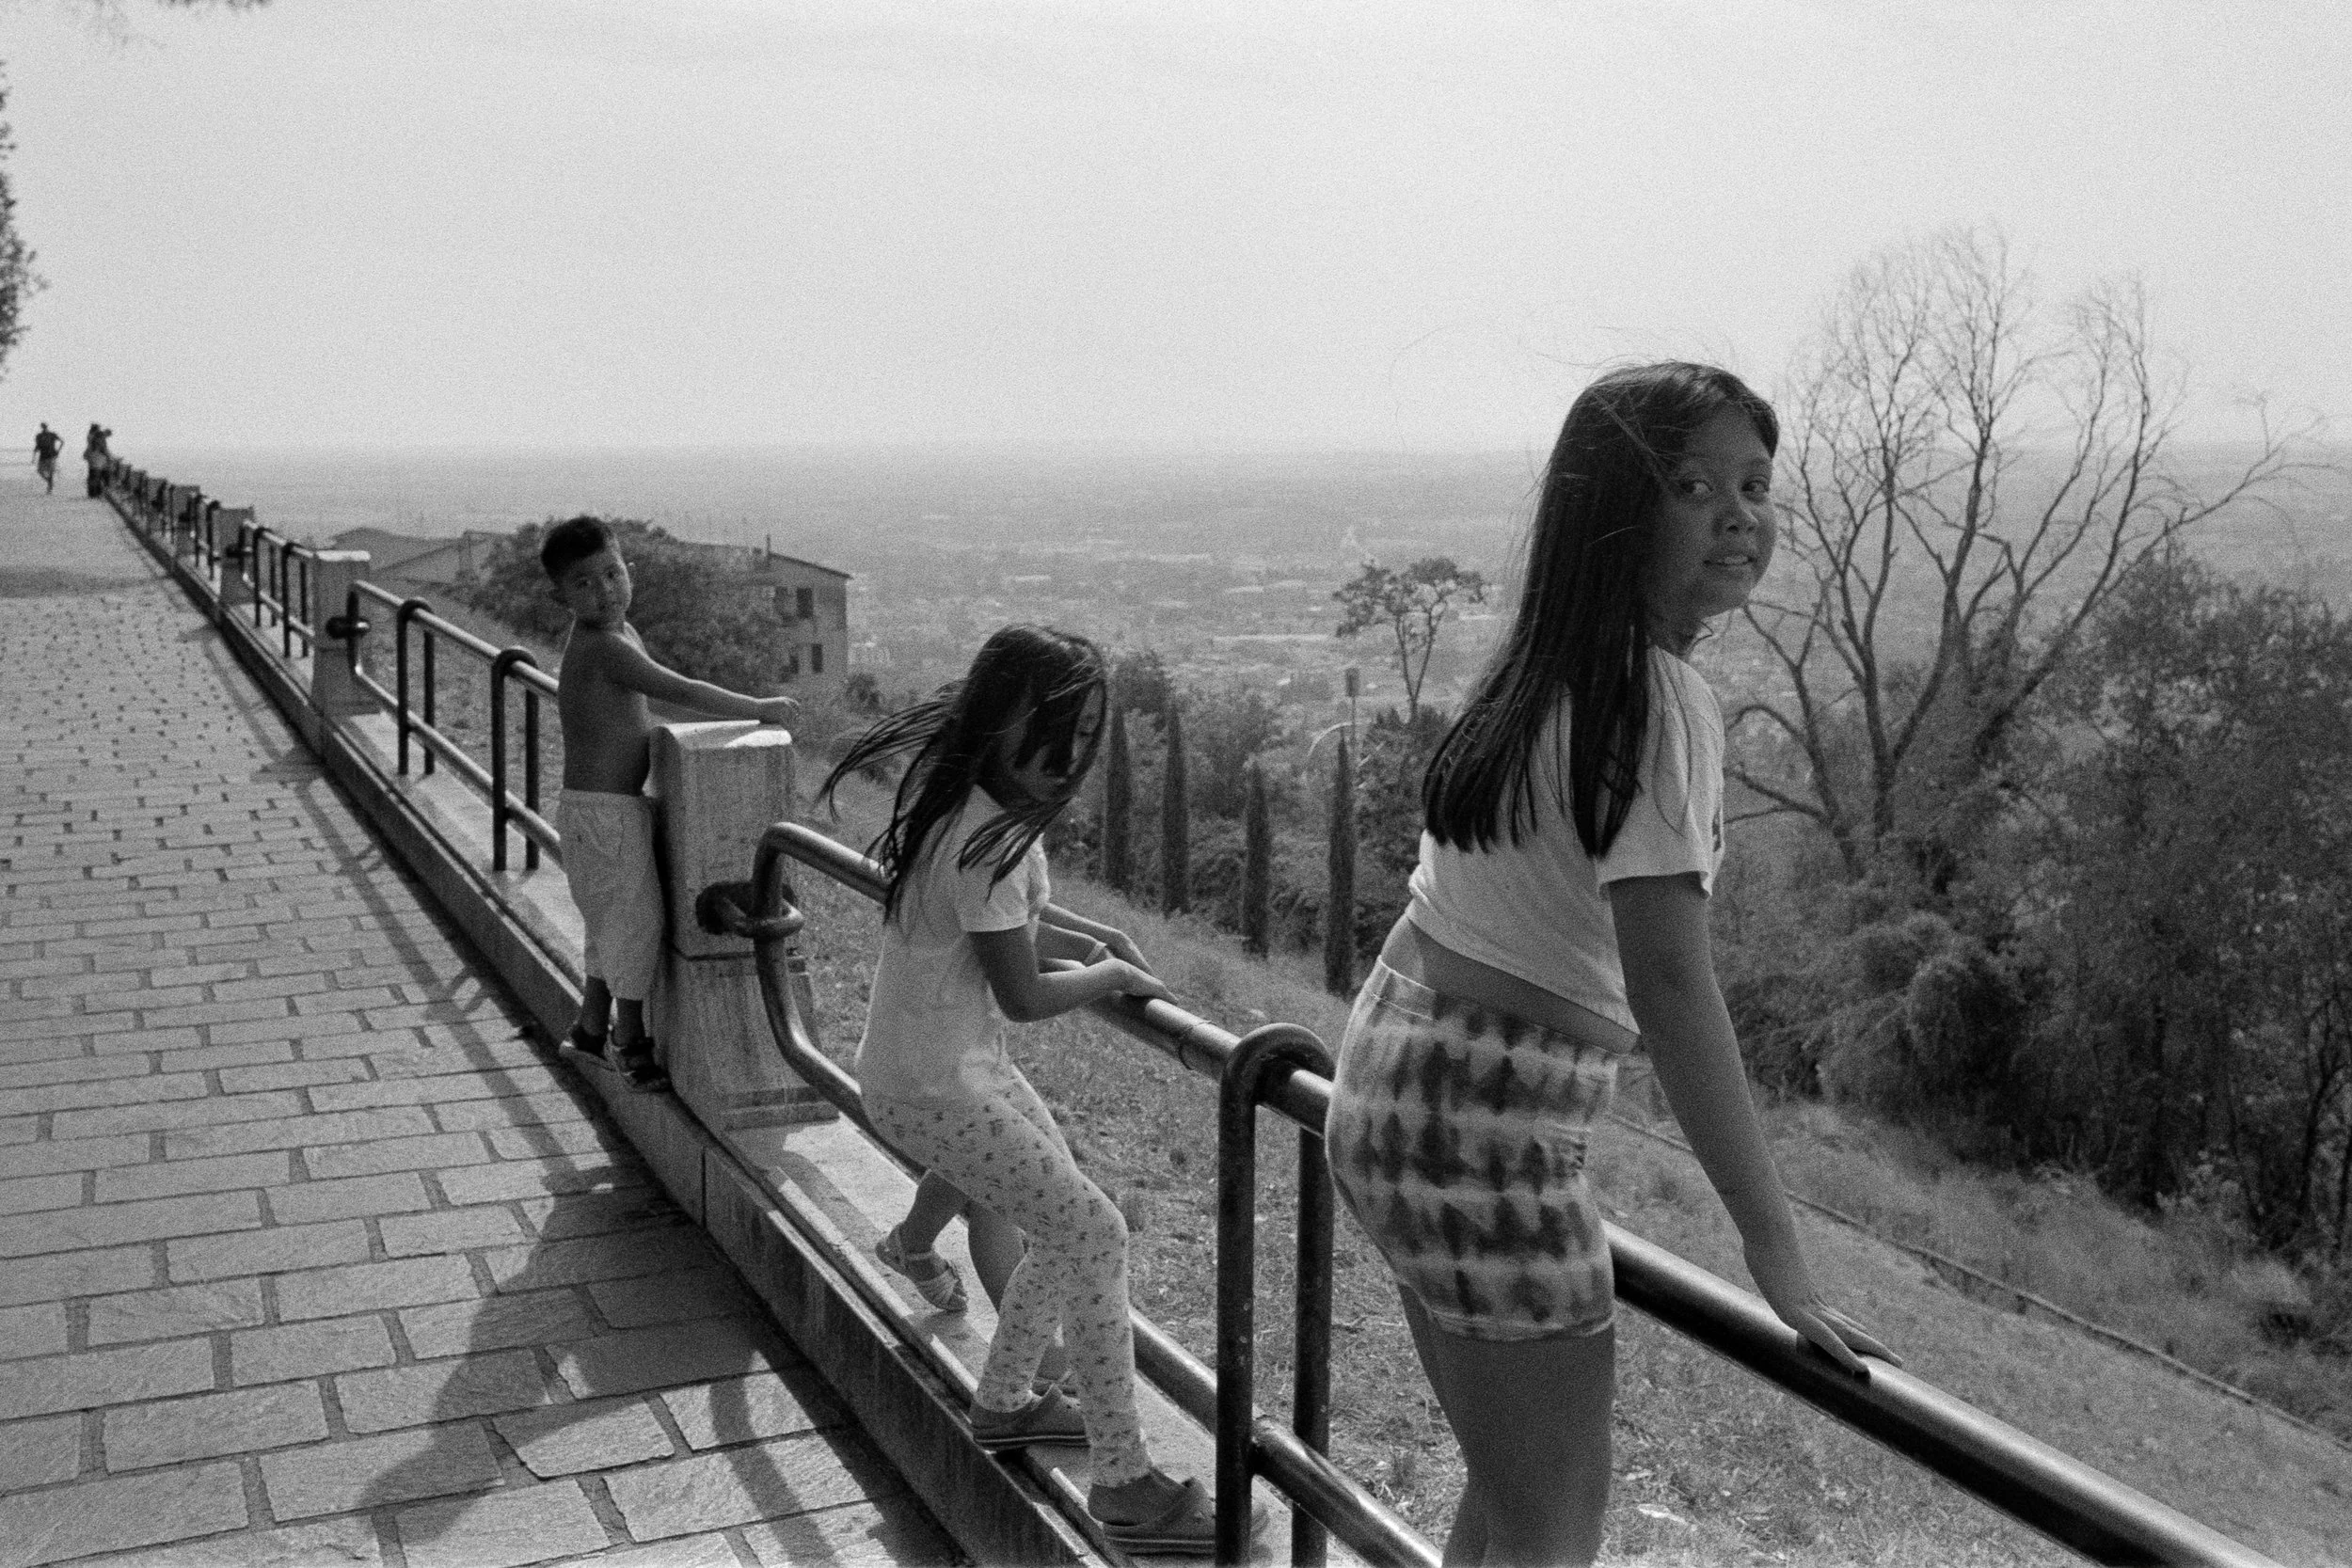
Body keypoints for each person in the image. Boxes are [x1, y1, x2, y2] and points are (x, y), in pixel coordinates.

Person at [1323, 362, 1899, 1567]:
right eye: (1693, 485)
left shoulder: (1535, 670)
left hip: (1387, 1081)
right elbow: (1674, 985)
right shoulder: (1660, 697)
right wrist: (1775, 1253)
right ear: (1614, 512)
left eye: (1755, 481)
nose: (1738, 512)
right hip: (1491, 1126)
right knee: (1554, 1521)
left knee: (1507, 1494)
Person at [817, 624, 1228, 1555]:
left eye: (1084, 738)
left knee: (1069, 1220)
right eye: (1055, 734)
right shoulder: (986, 841)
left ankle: (1005, 1403)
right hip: (933, 1084)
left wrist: (1092, 941)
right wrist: (1112, 976)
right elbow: (1025, 989)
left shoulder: (971, 806)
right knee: (1092, 1226)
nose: (1068, 759)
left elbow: (1012, 931)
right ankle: (1124, 1480)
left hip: (953, 1064)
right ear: (1002, 721)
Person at [541, 515, 799, 1093]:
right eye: (585, 583)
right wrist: (760, 707)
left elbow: (659, 707)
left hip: (601, 810)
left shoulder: (618, 635)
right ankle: (629, 1042)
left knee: (610, 922)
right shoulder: (604, 646)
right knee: (636, 924)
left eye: (613, 572)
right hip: (603, 814)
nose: (606, 589)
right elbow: (676, 690)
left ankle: (588, 1029)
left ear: (628, 568)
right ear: (561, 596)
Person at [83, 424, 111, 498]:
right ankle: (97, 493)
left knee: (92, 475)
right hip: (98, 458)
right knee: (97, 476)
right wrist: (109, 457)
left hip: (91, 457)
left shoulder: (90, 436)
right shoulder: (99, 437)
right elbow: (103, 449)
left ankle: (92, 493)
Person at [32, 424, 61, 493]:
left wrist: (58, 452)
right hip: (43, 456)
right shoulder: (39, 436)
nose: (44, 429)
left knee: (50, 472)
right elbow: (37, 447)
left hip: (51, 456)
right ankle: (49, 482)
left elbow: (62, 442)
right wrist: (33, 457)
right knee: (40, 471)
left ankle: (49, 487)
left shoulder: (52, 435)